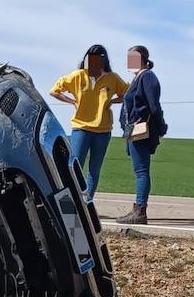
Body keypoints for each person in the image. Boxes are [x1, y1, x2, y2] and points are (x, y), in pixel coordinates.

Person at [49, 44, 128, 201]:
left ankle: (88, 200)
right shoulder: (78, 76)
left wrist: (112, 101)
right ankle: (73, 199)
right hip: (81, 127)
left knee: (95, 169)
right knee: (75, 166)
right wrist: (72, 101)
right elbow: (54, 91)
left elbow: (127, 93)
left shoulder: (112, 78)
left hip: (103, 130)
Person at [116, 45, 166, 225]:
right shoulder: (137, 79)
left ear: (143, 58)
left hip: (142, 130)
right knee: (140, 170)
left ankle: (139, 212)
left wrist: (160, 128)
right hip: (133, 130)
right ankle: (138, 210)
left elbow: (154, 106)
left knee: (141, 171)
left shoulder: (147, 77)